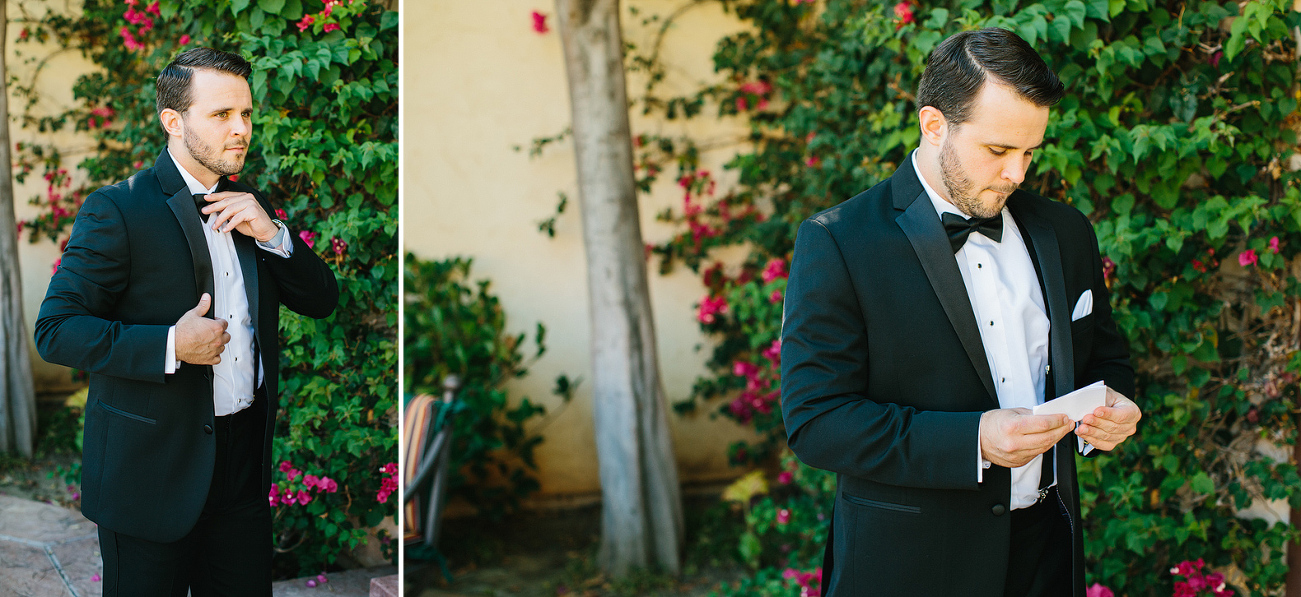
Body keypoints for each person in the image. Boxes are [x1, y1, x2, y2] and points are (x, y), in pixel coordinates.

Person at [780, 28, 1142, 597]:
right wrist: (972, 440)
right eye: (998, 150)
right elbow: (817, 422)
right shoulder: (839, 242)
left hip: (1046, 554)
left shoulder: (1065, 231)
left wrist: (1114, 409)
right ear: (934, 125)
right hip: (910, 568)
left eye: (1029, 152)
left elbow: (1107, 362)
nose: (1017, 174)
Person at [34, 47, 339, 596]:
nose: (241, 129)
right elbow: (56, 329)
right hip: (151, 471)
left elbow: (321, 300)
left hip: (243, 465)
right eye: (222, 115)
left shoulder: (251, 202)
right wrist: (172, 344)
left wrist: (273, 235)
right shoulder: (117, 209)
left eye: (246, 114)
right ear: (173, 122)